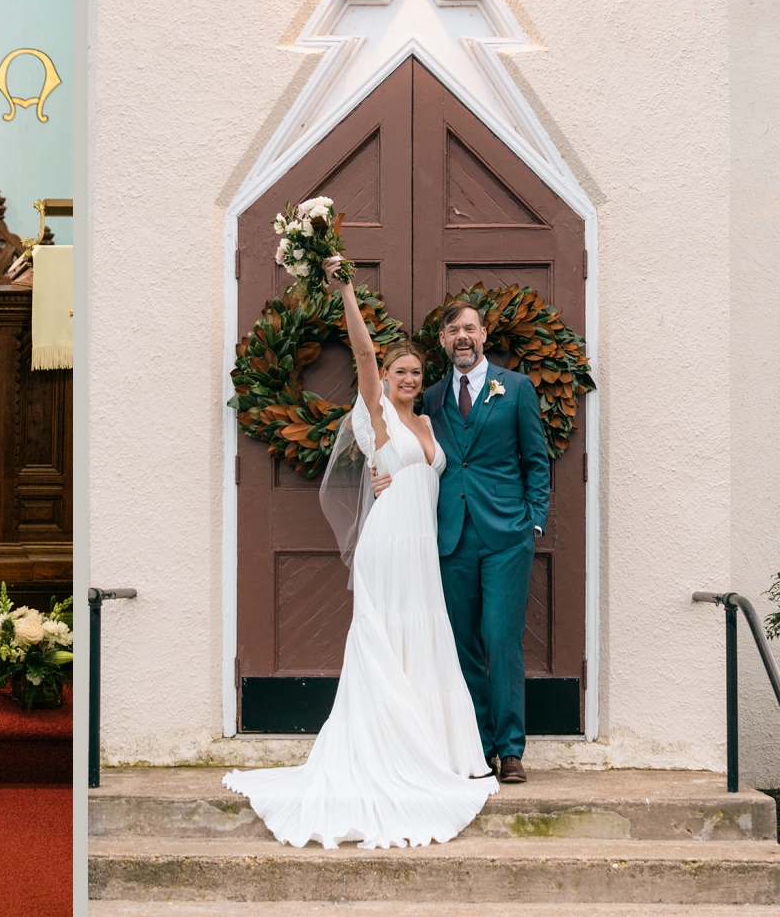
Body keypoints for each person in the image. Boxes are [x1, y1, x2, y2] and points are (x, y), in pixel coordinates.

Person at [223, 256, 497, 850]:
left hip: (422, 548)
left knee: (424, 638)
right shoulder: (374, 415)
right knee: (385, 640)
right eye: (399, 369)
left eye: (414, 371)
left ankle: (437, 752)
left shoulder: (428, 422)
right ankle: (384, 750)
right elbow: (364, 355)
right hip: (386, 545)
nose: (406, 377)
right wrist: (346, 289)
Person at [373, 296, 551, 784]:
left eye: (469, 329)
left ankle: (511, 750)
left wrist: (534, 519)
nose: (462, 338)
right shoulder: (428, 398)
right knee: (461, 645)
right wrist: (380, 474)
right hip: (447, 537)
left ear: (483, 335)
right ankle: (478, 745)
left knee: (501, 638)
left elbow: (537, 459)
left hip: (506, 536)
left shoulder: (515, 388)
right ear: (445, 342)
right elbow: (396, 439)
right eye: (453, 332)